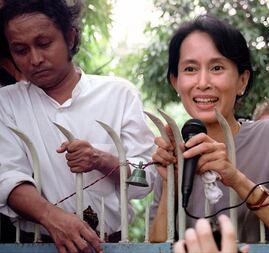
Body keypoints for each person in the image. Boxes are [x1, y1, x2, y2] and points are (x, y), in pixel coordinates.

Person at [0, 0, 156, 252]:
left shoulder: (118, 94)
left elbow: (147, 176)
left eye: (44, 44)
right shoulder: (6, 103)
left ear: (70, 38)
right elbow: (6, 178)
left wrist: (102, 159)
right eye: (20, 50)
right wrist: (52, 217)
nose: (35, 59)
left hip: (112, 244)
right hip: (36, 245)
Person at [149, 15, 269, 243]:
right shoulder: (173, 150)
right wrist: (170, 183)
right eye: (190, 69)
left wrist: (235, 178)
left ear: (242, 81)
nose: (202, 82)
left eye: (217, 67)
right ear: (176, 81)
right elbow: (156, 246)